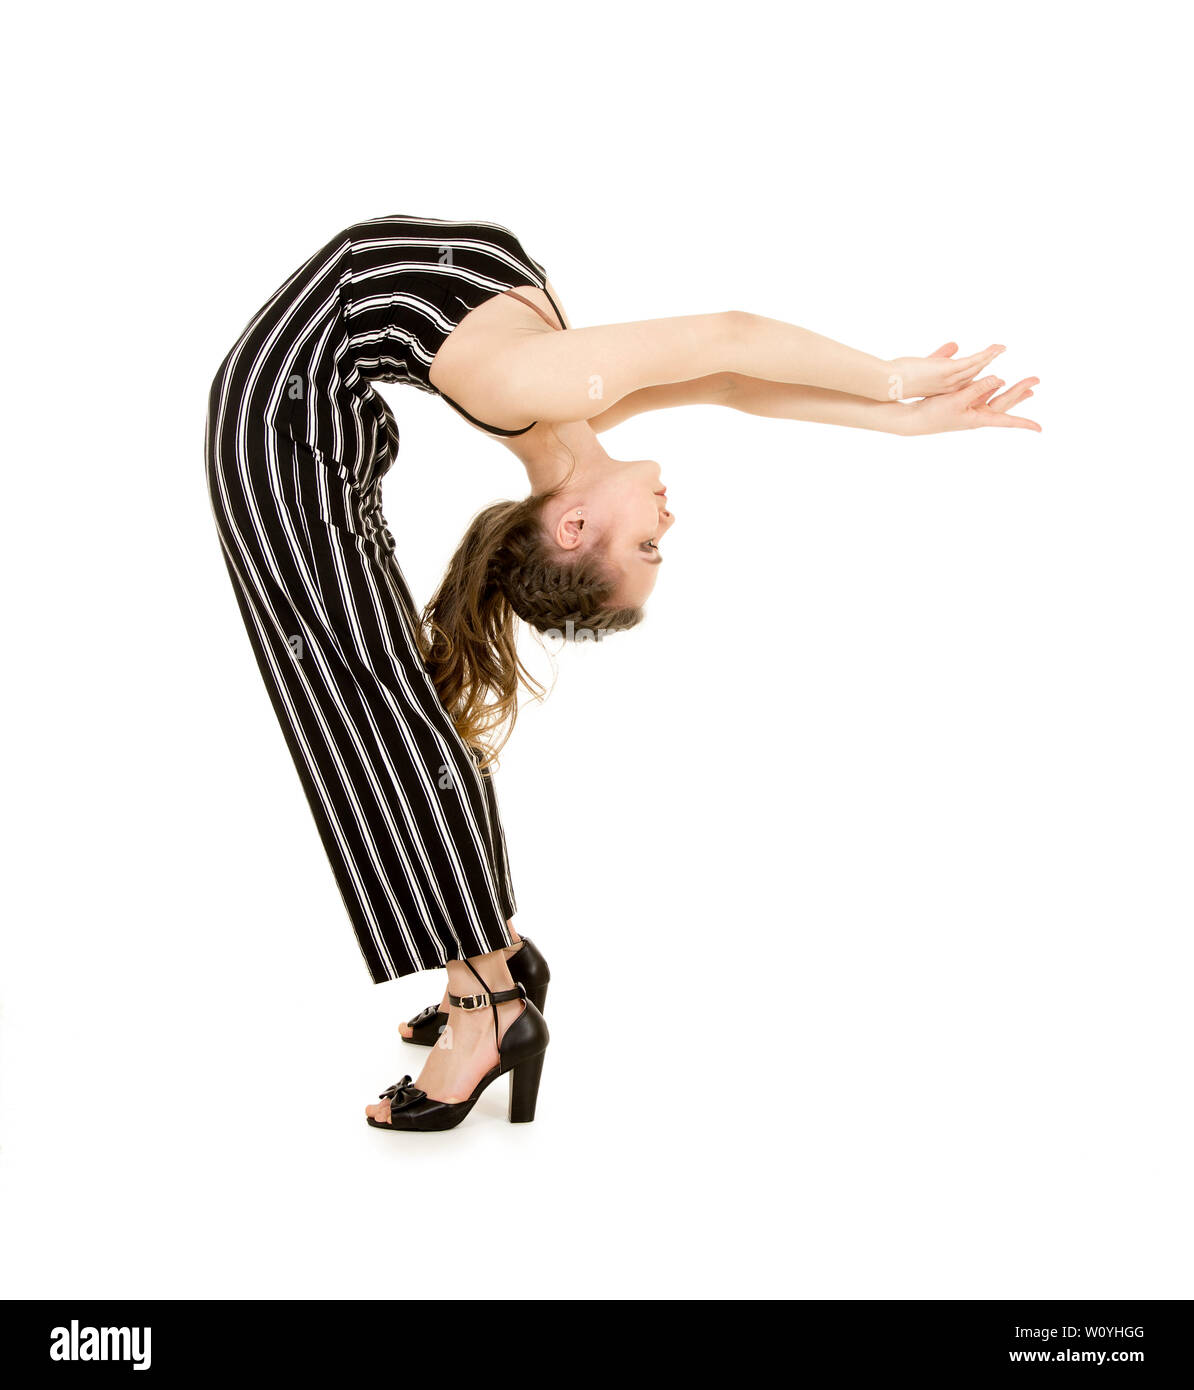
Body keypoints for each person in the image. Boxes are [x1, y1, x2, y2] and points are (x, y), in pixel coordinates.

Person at [204, 214, 1040, 1133]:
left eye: (642, 545)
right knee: (392, 706)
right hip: (297, 413)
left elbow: (728, 339)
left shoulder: (536, 388)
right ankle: (491, 969)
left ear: (571, 528)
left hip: (273, 434)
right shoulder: (560, 410)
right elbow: (726, 385)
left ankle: (489, 999)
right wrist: (902, 427)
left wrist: (894, 380)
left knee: (373, 711)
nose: (667, 526)